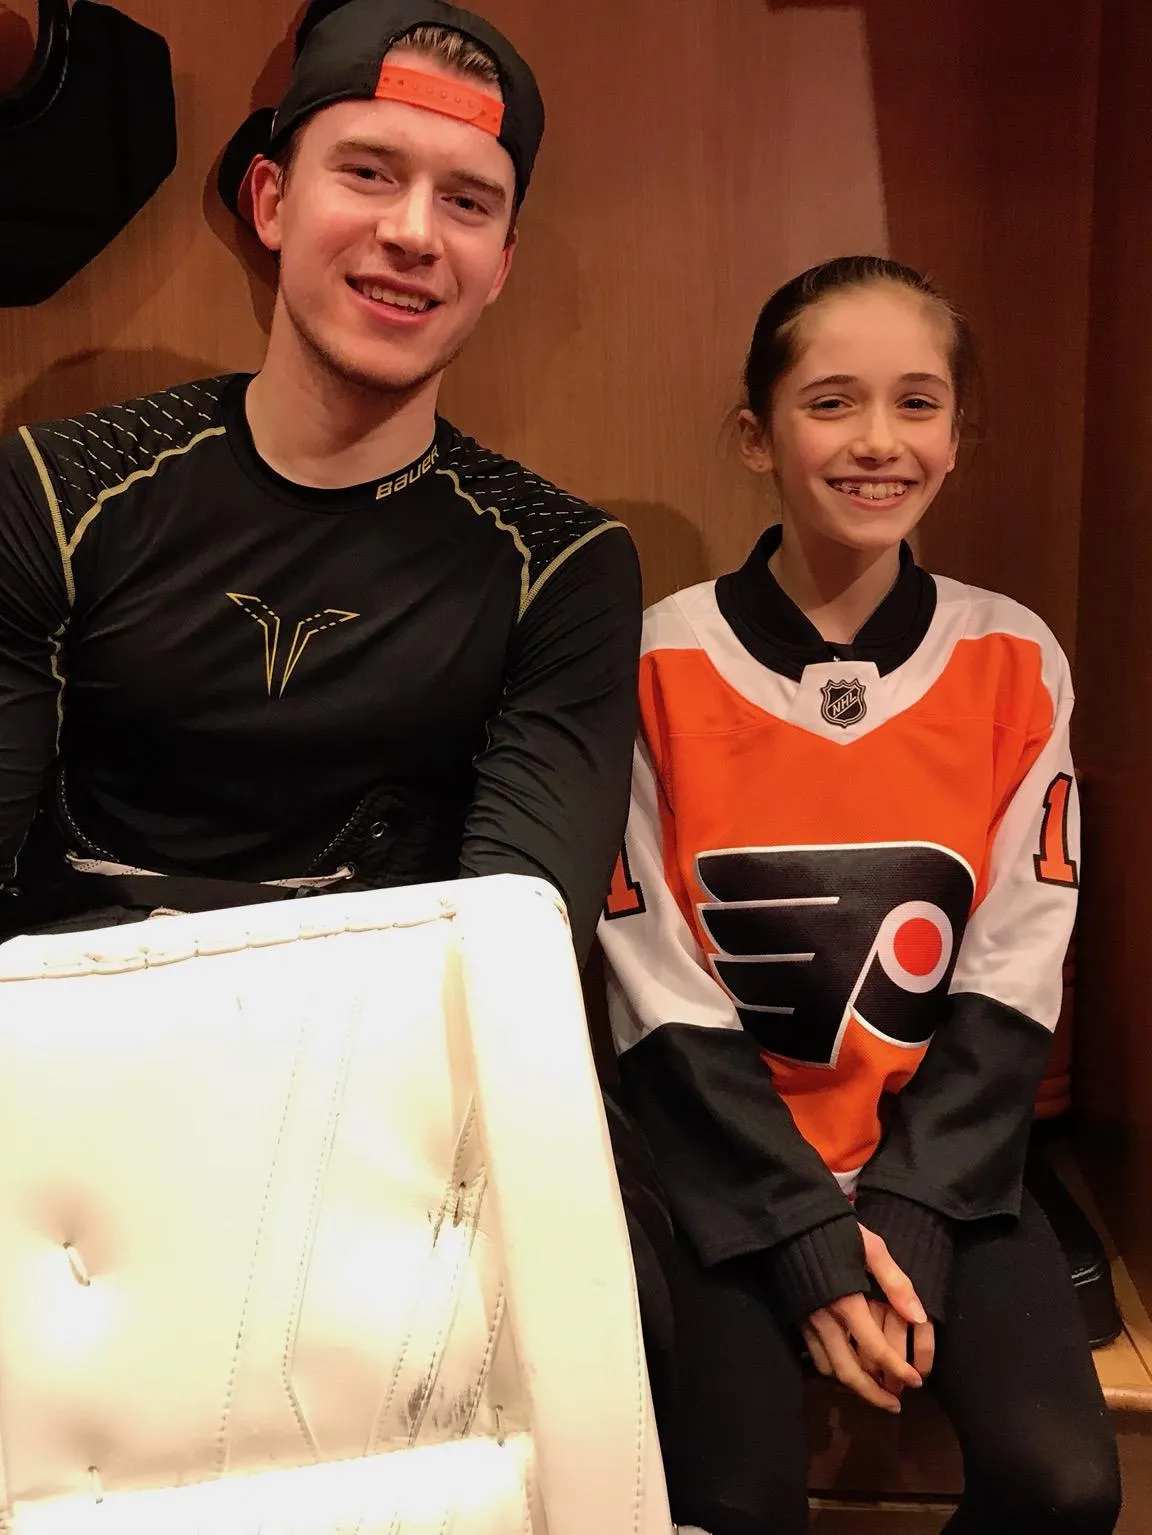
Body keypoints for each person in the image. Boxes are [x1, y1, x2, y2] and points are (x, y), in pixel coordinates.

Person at [599, 256, 1122, 1535]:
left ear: (958, 435)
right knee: (731, 1500)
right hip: (721, 1174)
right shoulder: (655, 660)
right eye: (832, 401)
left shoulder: (1014, 654)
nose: (879, 440)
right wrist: (802, 1236)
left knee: (1065, 1487)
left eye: (918, 402)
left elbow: (1015, 965)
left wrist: (909, 1213)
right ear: (756, 436)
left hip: (943, 1166)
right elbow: (654, 984)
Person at [0, 0, 640, 962]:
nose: (414, 233)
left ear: (501, 265)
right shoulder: (59, 490)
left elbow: (515, 958)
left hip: (387, 1041)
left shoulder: (559, 566)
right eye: (369, 173)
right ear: (270, 201)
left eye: (467, 201)